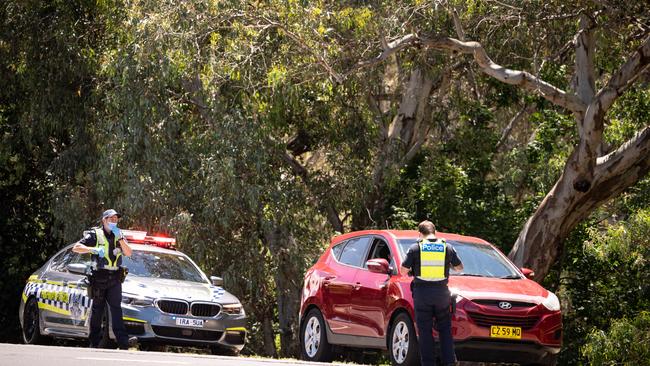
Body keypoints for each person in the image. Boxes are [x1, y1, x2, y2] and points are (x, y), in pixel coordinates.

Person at [401, 220, 463, 366]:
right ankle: (449, 362)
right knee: (445, 329)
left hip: (422, 294)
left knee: (425, 331)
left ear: (420, 234)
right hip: (442, 293)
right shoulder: (447, 247)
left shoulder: (416, 248)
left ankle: (428, 363)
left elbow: (403, 270)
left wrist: (412, 270)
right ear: (434, 232)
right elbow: (459, 268)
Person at [73, 209, 133, 349]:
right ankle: (94, 341)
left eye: (115, 219)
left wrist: (121, 239)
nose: (114, 221)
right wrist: (93, 250)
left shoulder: (119, 235)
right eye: (111, 219)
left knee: (116, 309)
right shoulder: (95, 234)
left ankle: (123, 342)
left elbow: (129, 252)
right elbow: (76, 248)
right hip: (99, 277)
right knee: (97, 310)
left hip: (115, 278)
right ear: (104, 220)